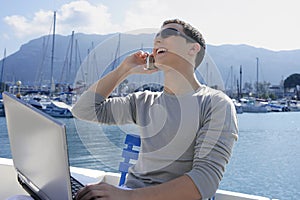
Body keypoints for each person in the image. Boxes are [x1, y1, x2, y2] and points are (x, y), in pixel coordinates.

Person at [72, 19, 238, 200]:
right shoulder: (143, 101)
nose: (158, 39)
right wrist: (123, 70)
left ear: (193, 49)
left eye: (168, 33)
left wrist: (125, 197)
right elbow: (83, 110)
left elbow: (204, 181)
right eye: (156, 36)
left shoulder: (215, 104)